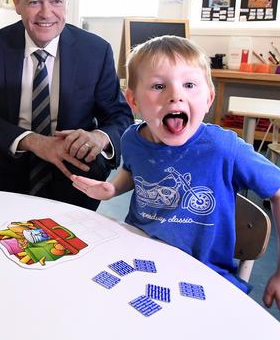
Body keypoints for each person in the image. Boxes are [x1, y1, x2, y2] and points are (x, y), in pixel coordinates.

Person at [70, 35, 280, 308]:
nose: (175, 95)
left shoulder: (223, 148)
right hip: (137, 259)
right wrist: (113, 188)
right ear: (133, 101)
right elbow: (133, 172)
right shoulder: (133, 139)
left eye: (190, 85)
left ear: (209, 99)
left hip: (204, 274)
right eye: (158, 86)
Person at [0, 0, 132, 210]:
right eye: (34, 2)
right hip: (15, 146)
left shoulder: (96, 51)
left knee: (91, 162)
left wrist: (98, 137)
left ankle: (77, 232)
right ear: (16, 1)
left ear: (67, 3)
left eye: (56, 1)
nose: (46, 13)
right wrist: (34, 142)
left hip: (69, 152)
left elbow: (120, 117)